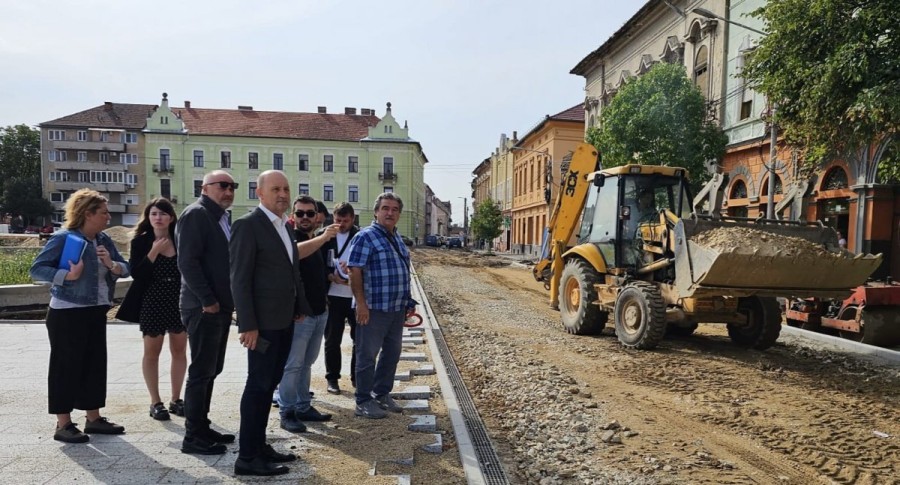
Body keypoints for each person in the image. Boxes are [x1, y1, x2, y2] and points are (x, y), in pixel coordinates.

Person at [29, 189, 130, 443]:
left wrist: (112, 265)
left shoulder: (103, 240)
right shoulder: (64, 238)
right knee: (66, 367)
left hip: (95, 310)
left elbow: (125, 268)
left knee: (94, 365)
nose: (108, 217)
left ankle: (93, 419)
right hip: (67, 312)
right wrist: (67, 276)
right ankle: (63, 424)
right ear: (88, 214)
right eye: (104, 213)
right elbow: (37, 269)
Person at [230, 171, 314, 476]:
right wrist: (247, 324)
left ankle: (259, 445)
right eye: (275, 189)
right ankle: (247, 457)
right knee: (258, 386)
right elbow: (239, 279)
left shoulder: (282, 226)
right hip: (262, 325)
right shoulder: (248, 225)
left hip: (284, 319)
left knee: (268, 387)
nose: (282, 194)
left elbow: (291, 272)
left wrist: (299, 306)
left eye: (286, 189)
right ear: (259, 193)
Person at [176, 170, 237, 455]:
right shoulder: (196, 214)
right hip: (204, 307)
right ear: (205, 187)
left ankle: (202, 424)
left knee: (213, 369)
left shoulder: (220, 217)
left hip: (219, 306)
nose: (228, 191)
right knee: (201, 371)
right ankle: (192, 436)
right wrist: (208, 299)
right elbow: (187, 262)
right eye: (222, 186)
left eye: (232, 186)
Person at [116, 198, 187, 421]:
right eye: (154, 214)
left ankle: (177, 399)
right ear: (148, 217)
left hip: (177, 299)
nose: (158, 218)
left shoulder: (180, 239)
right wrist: (154, 251)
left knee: (179, 351)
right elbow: (137, 273)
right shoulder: (141, 241)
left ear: (171, 217)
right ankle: (155, 402)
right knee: (152, 353)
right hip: (152, 299)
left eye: (163, 214)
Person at [348, 192, 418, 419]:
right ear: (376, 211)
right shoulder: (365, 236)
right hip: (373, 309)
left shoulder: (395, 236)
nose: (390, 213)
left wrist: (408, 301)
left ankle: (382, 393)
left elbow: (402, 272)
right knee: (367, 355)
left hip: (396, 308)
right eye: (385, 208)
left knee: (392, 353)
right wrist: (361, 304)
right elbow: (354, 270)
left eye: (394, 209)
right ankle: (363, 400)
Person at [277, 196, 340, 432]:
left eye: (309, 214)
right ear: (293, 216)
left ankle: (303, 406)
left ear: (317, 217)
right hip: (301, 315)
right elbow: (294, 254)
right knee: (293, 365)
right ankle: (287, 411)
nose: (305, 218)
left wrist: (334, 278)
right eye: (300, 213)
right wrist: (324, 237)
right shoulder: (290, 237)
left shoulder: (313, 239)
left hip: (319, 312)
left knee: (306, 364)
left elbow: (317, 273)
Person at [321, 202, 359, 394]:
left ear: (352, 219)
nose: (341, 224)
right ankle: (332, 378)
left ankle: (356, 378)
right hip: (333, 295)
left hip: (355, 296)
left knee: (359, 339)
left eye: (345, 220)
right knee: (332, 340)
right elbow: (319, 262)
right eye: (338, 220)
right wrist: (330, 276)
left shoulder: (360, 236)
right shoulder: (326, 235)